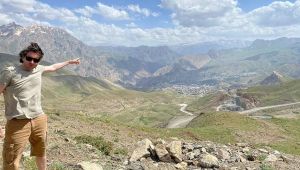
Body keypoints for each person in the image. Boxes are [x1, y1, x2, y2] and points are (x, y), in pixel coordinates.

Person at [0, 42, 80, 170]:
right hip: (17, 122)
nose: (32, 62)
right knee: (11, 159)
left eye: (36, 60)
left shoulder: (39, 69)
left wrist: (69, 62)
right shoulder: (10, 73)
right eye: (29, 58)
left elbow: (53, 67)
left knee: (41, 153)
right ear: (23, 56)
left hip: (39, 118)